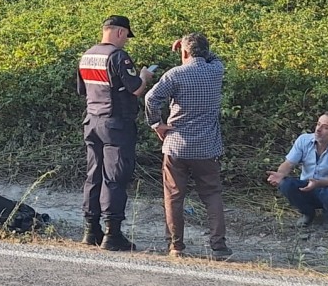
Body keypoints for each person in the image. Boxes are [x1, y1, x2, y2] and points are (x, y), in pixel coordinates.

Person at [144, 32, 231, 260]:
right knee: (212, 194)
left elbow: (151, 99)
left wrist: (157, 124)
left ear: (183, 52)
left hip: (176, 144)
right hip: (207, 145)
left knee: (174, 196)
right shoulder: (216, 70)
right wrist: (194, 49)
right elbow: (213, 57)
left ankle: (176, 246)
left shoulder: (174, 75)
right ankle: (218, 245)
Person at [76, 15, 154, 251]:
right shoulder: (118, 56)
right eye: (126, 37)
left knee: (93, 175)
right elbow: (136, 89)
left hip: (91, 121)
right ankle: (113, 233)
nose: (126, 42)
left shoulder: (87, 55)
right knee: (115, 178)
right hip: (116, 125)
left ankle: (91, 230)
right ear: (120, 32)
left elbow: (82, 90)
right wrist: (145, 76)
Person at [266, 113, 328, 230]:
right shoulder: (304, 140)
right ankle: (307, 213)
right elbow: (289, 163)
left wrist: (318, 183)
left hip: (327, 188)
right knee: (285, 184)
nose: (318, 129)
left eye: (325, 127)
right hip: (306, 186)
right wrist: (280, 174)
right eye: (318, 124)